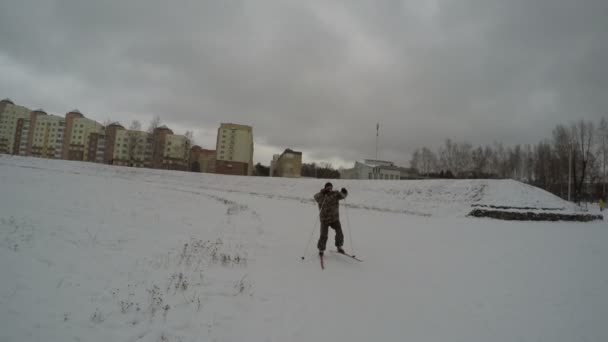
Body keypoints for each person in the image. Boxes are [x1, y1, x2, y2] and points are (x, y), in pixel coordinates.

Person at [314, 182, 348, 256]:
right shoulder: (321, 195)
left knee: (339, 232)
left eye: (330, 187)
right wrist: (323, 193)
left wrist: (344, 192)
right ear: (325, 188)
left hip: (334, 219)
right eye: (328, 187)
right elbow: (315, 197)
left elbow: (342, 196)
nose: (329, 189)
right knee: (323, 235)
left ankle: (339, 247)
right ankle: (321, 249)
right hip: (324, 220)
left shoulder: (335, 194)